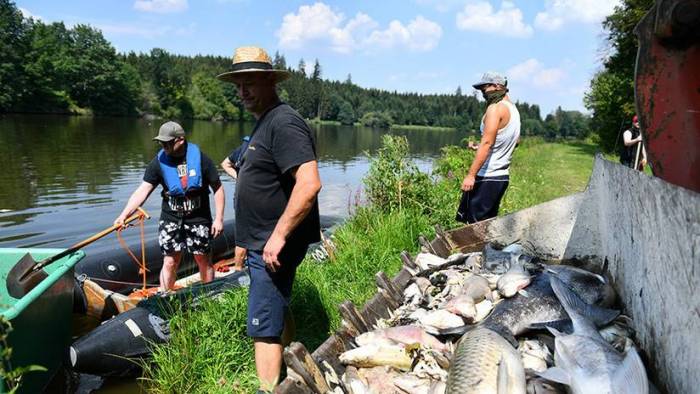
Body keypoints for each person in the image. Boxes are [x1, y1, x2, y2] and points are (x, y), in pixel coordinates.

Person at [216, 46, 322, 393]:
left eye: (249, 83)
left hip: (273, 244)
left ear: (269, 81)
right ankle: (291, 362)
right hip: (261, 241)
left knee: (262, 324)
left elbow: (309, 184)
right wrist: (246, 242)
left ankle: (267, 389)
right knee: (275, 305)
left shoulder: (284, 121)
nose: (242, 92)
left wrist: (277, 236)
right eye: (238, 85)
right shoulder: (265, 123)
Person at [114, 121, 225, 290]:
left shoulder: (201, 159)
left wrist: (219, 219)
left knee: (203, 259)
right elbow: (143, 190)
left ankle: (209, 295)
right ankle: (165, 297)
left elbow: (218, 188)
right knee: (170, 261)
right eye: (161, 142)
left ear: (180, 140)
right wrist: (124, 215)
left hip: (198, 218)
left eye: (167, 142)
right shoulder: (158, 162)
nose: (163, 146)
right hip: (171, 219)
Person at [456, 71, 520, 224]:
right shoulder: (513, 110)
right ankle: (486, 248)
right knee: (486, 227)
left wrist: (471, 175)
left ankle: (475, 249)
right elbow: (515, 142)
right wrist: (479, 147)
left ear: (497, 86)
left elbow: (488, 143)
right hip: (501, 177)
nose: (483, 93)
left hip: (487, 177)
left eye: (484, 89)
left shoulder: (495, 108)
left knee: (473, 228)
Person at [220, 136, 251, 271]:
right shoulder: (257, 147)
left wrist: (239, 178)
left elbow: (225, 163)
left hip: (239, 197)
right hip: (248, 199)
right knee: (244, 238)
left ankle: (240, 268)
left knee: (243, 236)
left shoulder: (244, 146)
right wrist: (241, 178)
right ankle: (239, 270)